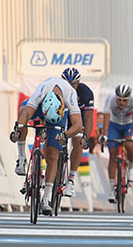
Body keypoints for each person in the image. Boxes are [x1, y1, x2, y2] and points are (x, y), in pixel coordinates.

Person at [11, 77, 83, 215]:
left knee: (52, 155)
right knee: (22, 113)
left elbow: (78, 125)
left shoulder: (70, 96)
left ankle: (46, 198)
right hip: (39, 107)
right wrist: (18, 129)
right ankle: (21, 159)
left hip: (58, 115)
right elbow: (26, 113)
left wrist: (65, 136)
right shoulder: (42, 90)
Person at [100, 84, 133, 203]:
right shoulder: (111, 99)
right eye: (119, 99)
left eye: (124, 100)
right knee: (112, 153)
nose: (121, 103)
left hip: (128, 125)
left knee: (129, 144)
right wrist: (105, 135)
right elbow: (106, 118)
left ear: (128, 98)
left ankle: (132, 167)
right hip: (114, 125)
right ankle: (112, 189)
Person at [60, 67, 94, 198]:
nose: (70, 87)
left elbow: (89, 118)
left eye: (73, 84)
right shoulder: (57, 90)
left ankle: (71, 179)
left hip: (77, 120)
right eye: (67, 84)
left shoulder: (86, 93)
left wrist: (86, 137)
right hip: (63, 117)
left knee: (78, 141)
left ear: (78, 83)